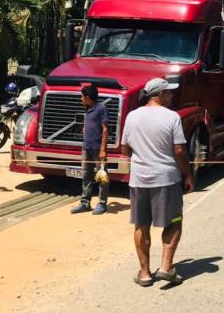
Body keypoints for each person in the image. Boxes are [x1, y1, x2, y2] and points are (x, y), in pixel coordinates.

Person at [121, 78, 194, 287]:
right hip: (166, 178)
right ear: (160, 95)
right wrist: (188, 174)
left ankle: (144, 273)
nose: (172, 96)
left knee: (141, 224)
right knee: (174, 221)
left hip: (139, 179)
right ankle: (165, 267)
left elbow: (125, 149)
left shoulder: (132, 116)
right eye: (169, 93)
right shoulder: (172, 117)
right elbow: (179, 150)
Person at [70, 84, 109, 215]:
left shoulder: (101, 108)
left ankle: (102, 203)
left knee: (102, 177)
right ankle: (85, 203)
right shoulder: (88, 109)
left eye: (82, 96)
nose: (81, 99)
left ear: (88, 97)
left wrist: (103, 149)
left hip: (98, 149)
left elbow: (105, 129)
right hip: (86, 148)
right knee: (86, 176)